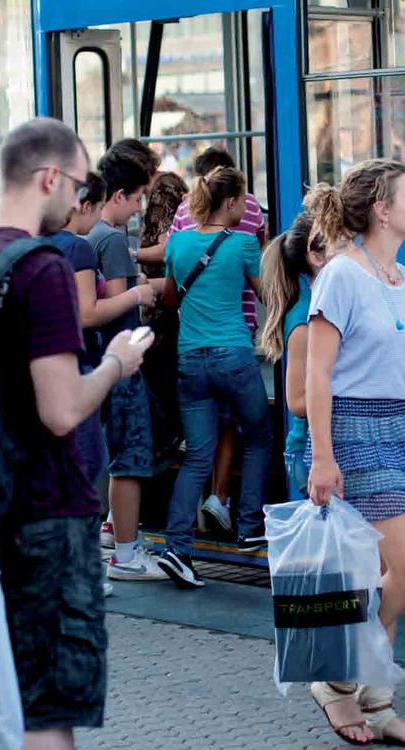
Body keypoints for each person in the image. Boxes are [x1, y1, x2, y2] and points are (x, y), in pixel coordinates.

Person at [0, 116, 152, 750]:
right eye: (82, 179)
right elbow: (61, 409)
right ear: (49, 177)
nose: (83, 195)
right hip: (44, 508)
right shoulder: (44, 267)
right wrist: (117, 361)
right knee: (44, 705)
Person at [305, 158, 405, 748]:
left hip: (398, 428)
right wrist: (323, 458)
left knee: (385, 574)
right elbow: (318, 375)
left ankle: (376, 704)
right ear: (381, 208)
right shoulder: (341, 276)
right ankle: (339, 674)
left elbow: (401, 366)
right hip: (352, 431)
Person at [156, 166, 270, 588]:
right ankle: (249, 527)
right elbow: (266, 295)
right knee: (258, 435)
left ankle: (177, 548)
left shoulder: (179, 242)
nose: (246, 208)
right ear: (231, 203)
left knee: (198, 456)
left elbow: (170, 298)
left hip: (191, 360)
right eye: (243, 201)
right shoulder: (243, 244)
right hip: (234, 357)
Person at [86, 149, 167, 582]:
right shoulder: (111, 239)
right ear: (118, 195)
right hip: (123, 357)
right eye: (137, 199)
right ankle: (126, 551)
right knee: (132, 454)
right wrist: (142, 292)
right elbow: (110, 301)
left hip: (100, 358)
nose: (139, 209)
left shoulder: (91, 236)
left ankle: (117, 530)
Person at [258, 197, 332, 497]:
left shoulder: (319, 307)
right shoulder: (303, 322)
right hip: (306, 451)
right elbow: (297, 402)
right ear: (316, 256)